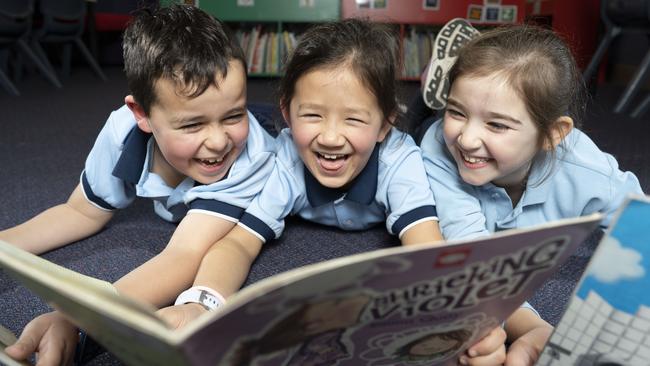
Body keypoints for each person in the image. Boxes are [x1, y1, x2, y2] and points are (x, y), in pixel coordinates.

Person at [158, 18, 513, 366]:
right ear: (290, 113)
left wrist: (460, 322)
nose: (330, 137)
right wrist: (202, 303)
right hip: (285, 123)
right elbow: (237, 243)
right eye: (312, 115)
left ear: (383, 125)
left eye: (354, 119)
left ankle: (425, 92)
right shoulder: (284, 158)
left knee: (428, 127)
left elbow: (427, 247)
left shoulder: (400, 160)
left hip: (409, 133)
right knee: (258, 122)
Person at [3, 5, 276, 365]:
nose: (218, 142)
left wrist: (80, 317)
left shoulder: (251, 155)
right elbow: (80, 211)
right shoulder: (121, 131)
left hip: (270, 132)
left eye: (233, 115)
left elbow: (183, 255)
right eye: (192, 125)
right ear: (141, 115)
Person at [418, 23, 644, 365]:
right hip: (431, 138)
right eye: (457, 111)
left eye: (496, 124)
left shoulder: (587, 170)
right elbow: (472, 255)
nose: (467, 138)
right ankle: (435, 91)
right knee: (426, 126)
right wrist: (531, 326)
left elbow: (640, 225)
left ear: (552, 134)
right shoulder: (439, 150)